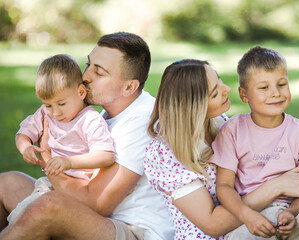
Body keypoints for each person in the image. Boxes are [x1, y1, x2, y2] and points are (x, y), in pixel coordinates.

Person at [0, 32, 174, 240]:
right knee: (6, 183)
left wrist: (47, 156)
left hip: (134, 230)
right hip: (99, 216)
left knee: (47, 207)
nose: (85, 76)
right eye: (88, 65)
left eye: (99, 73)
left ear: (129, 86)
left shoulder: (142, 123)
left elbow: (96, 203)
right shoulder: (106, 112)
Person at [144, 59, 299, 240]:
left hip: (253, 224)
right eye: (215, 93)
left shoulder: (221, 122)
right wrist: (275, 187)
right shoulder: (165, 155)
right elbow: (212, 225)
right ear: (194, 108)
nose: (227, 89)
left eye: (219, 80)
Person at [211, 46, 299, 239]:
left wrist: (291, 213)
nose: (275, 93)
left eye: (282, 84)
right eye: (264, 87)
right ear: (244, 94)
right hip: (249, 220)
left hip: (293, 217)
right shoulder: (232, 130)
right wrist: (247, 216)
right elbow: (224, 187)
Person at [8, 54, 116, 223]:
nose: (55, 113)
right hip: (52, 183)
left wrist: (69, 162)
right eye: (48, 105)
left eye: (62, 104)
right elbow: (23, 134)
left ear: (80, 92)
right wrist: (25, 147)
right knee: (23, 215)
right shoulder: (46, 114)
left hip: (80, 189)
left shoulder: (90, 120)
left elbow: (106, 155)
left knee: (31, 220)